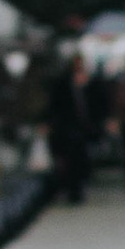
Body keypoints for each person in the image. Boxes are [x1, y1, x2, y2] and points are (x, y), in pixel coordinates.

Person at [43, 57, 95, 205]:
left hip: (84, 129)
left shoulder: (88, 82)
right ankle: (72, 190)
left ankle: (77, 188)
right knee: (70, 161)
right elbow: (54, 105)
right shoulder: (62, 84)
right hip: (66, 128)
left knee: (81, 160)